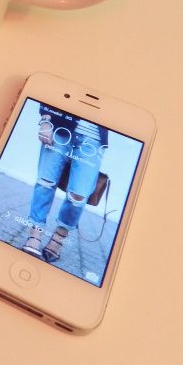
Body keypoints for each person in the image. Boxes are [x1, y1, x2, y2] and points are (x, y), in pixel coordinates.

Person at [22, 105, 108, 262]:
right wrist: (45, 121)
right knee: (45, 183)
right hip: (61, 126)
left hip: (94, 140)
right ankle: (35, 233)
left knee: (78, 197)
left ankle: (58, 238)